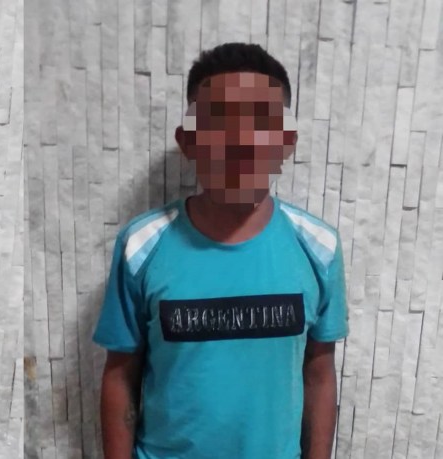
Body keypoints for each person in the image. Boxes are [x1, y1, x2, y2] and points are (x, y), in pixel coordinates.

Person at [93, 42, 349, 459]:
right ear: (189, 141)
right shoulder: (140, 246)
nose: (241, 142)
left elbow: (319, 374)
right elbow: (121, 375)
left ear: (285, 141)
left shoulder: (319, 247)